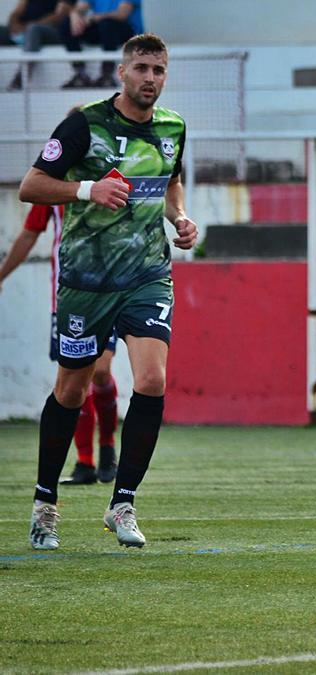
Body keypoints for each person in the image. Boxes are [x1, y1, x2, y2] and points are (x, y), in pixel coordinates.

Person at [21, 32, 197, 551]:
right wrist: (85, 189)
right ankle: (44, 505)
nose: (150, 78)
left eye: (158, 70)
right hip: (86, 281)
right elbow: (32, 184)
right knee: (71, 391)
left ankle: (123, 503)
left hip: (146, 275)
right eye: (141, 68)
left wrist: (181, 218)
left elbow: (170, 182)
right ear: (122, 72)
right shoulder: (84, 124)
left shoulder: (173, 127)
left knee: (152, 379)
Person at [0, 200, 121, 487]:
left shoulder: (111, 170)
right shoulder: (54, 181)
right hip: (67, 298)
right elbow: (30, 232)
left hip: (110, 292)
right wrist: (2, 274)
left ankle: (107, 446)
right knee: (75, 379)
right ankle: (85, 462)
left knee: (101, 370)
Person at [60, 0, 143, 88]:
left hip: (126, 32)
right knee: (67, 23)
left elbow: (122, 14)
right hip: (102, 29)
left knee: (107, 24)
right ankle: (80, 74)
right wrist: (74, 15)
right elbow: (80, 8)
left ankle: (107, 75)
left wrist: (92, 18)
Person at [1, 0, 74, 91]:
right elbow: (16, 12)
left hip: (49, 31)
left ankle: (21, 77)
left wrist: (27, 28)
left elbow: (59, 15)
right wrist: (14, 25)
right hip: (23, 31)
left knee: (33, 29)